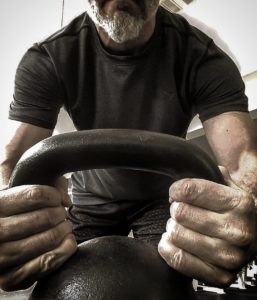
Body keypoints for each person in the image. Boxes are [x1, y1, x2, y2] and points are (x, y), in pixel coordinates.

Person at [0, 0, 257, 292]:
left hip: (162, 200)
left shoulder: (204, 57)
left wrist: (248, 214)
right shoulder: (48, 58)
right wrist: (8, 221)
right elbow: (13, 162)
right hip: (91, 200)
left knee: (171, 287)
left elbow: (243, 164)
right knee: (61, 283)